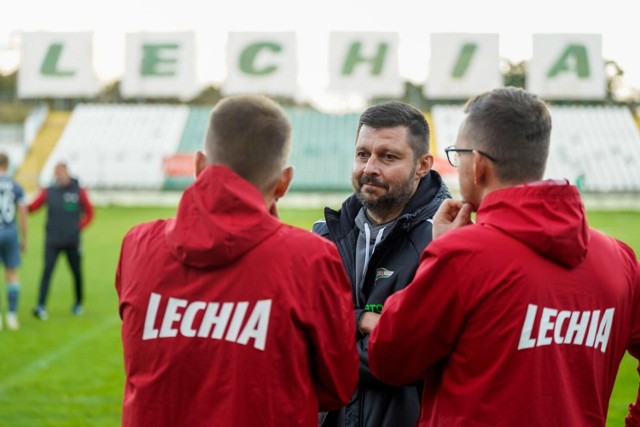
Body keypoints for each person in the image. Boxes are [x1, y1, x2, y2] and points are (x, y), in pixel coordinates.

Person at [368, 87, 640, 426]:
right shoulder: (620, 259)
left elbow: (389, 359)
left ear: (478, 164)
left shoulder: (462, 256)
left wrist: (434, 254)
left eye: (458, 155)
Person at [115, 94, 359, 427]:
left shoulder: (137, 245)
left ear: (199, 165)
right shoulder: (311, 259)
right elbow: (338, 387)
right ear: (284, 181)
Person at [313, 101, 450, 427]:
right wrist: (365, 320)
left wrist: (336, 328)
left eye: (388, 157)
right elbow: (297, 336)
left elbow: (408, 356)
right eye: (363, 154)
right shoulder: (324, 236)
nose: (369, 167)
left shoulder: (447, 239)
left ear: (423, 165)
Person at [29, 162, 94, 320]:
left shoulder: (78, 191)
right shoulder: (48, 191)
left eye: (61, 172)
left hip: (72, 242)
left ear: (67, 172)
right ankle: (41, 305)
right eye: (56, 173)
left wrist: (78, 227)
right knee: (47, 273)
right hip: (52, 241)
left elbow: (90, 213)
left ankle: (78, 303)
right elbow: (33, 207)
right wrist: (22, 205)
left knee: (76, 273)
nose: (58, 175)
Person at [0, 153, 27, 331]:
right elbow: (23, 215)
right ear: (8, 165)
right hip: (10, 232)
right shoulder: (17, 187)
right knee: (12, 274)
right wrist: (24, 238)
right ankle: (11, 316)